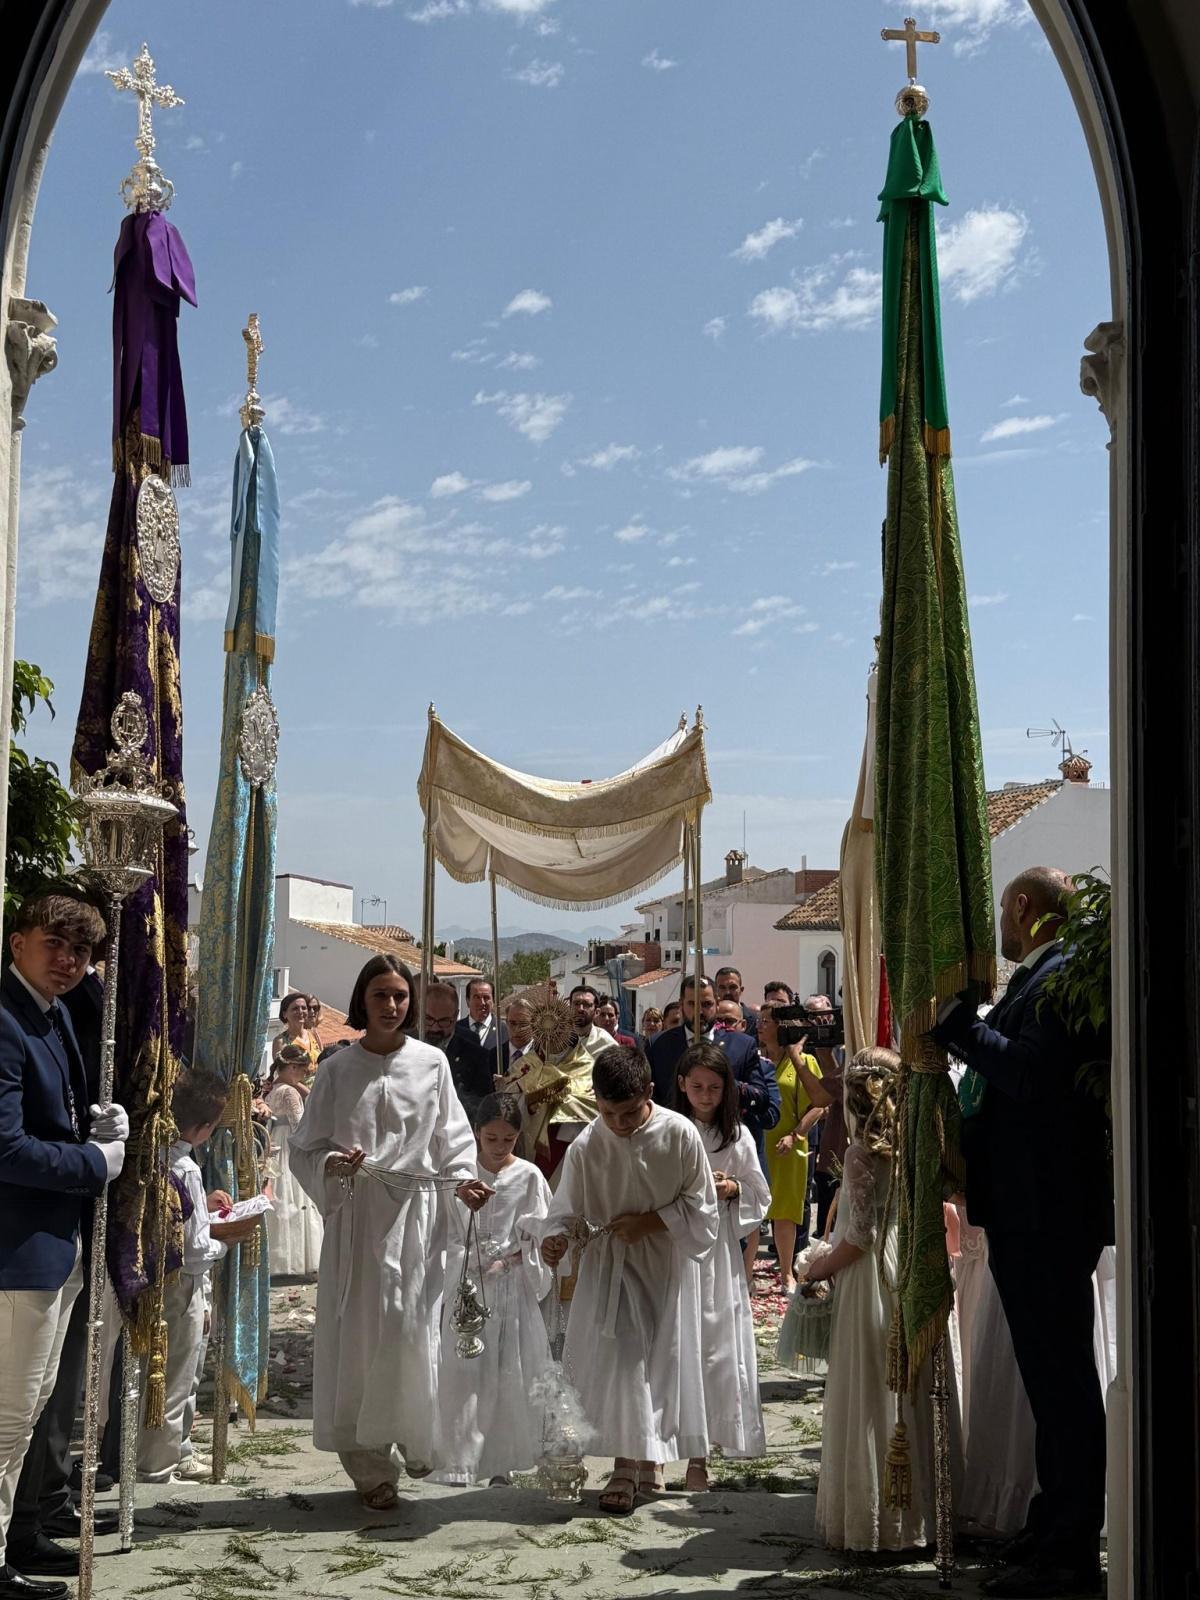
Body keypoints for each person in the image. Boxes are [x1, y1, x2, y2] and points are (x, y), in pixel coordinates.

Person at [932, 867, 1112, 1599]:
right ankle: (1051, 1521)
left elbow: (1033, 1077)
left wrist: (961, 1029)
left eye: (1004, 914)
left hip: (1048, 1210)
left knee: (1063, 1382)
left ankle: (1070, 1551)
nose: (999, 933)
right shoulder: (1042, 977)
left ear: (1024, 908)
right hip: (1027, 1208)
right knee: (1048, 1379)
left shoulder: (1058, 979)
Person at [289, 955, 492, 1508]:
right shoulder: (336, 1070)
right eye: (381, 995)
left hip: (415, 1217)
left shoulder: (431, 1064)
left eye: (401, 996)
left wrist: (465, 1183)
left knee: (409, 1327)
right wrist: (334, 1166)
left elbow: (453, 1141)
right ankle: (369, 1465)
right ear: (363, 1000)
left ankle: (416, 1433)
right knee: (360, 1336)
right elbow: (304, 1147)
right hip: (358, 1218)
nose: (392, 1005)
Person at [0, 894, 126, 1600]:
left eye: (81, 951)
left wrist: (96, 1130)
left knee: (31, 1407)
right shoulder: (6, 1021)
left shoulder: (49, 1017)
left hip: (56, 1243)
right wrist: (93, 1162)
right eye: (56, 944)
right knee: (8, 1415)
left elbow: (63, 1114)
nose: (70, 961)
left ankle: (16, 1537)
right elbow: (6, 1145)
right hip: (16, 1247)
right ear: (18, 942)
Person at [538, 1045, 718, 1514]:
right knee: (624, 1360)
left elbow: (703, 1207)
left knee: (655, 1364)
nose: (618, 1124)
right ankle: (624, 1466)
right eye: (608, 1112)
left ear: (650, 1093)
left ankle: (647, 1456)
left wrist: (651, 1222)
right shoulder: (587, 1144)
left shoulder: (678, 1134)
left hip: (663, 1265)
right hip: (607, 1268)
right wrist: (555, 1239)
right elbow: (563, 1210)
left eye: (629, 1113)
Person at [801, 1049, 955, 1551]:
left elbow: (859, 1237)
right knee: (912, 1393)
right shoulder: (918, 1145)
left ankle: (878, 1526)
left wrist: (814, 1268)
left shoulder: (860, 1154)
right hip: (910, 1266)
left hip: (869, 1279)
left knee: (871, 1395)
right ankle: (924, 1519)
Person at [137, 1071, 258, 1483]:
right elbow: (193, 1246)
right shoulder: (184, 1166)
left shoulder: (158, 1153)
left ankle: (179, 1452)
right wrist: (228, 1239)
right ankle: (159, 1464)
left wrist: (203, 1210)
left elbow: (181, 1218)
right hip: (183, 1281)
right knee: (175, 1376)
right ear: (205, 1128)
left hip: (164, 1279)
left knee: (181, 1374)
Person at [434, 1093, 553, 1486]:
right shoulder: (460, 1177)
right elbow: (442, 1231)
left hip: (509, 1288)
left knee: (507, 1370)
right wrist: (466, 1259)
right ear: (476, 1133)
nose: (499, 1148)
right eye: (491, 1139)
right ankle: (462, 1458)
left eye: (508, 1140)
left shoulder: (529, 1177)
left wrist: (515, 1254)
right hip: (467, 1284)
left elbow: (540, 1230)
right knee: (464, 1370)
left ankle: (501, 1460)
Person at [673, 1042, 769, 1487]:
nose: (706, 1095)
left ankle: (702, 1453)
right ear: (682, 1086)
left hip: (715, 1254)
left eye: (714, 1087)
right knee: (672, 1345)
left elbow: (759, 1194)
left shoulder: (738, 1136)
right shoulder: (670, 1131)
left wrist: (731, 1187)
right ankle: (658, 1449)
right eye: (697, 1087)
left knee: (713, 1347)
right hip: (673, 1250)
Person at [647, 978, 779, 1169]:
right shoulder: (658, 1045)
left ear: (717, 1004)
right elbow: (653, 1101)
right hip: (675, 1153)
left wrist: (723, 1083)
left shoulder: (742, 1045)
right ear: (681, 1004)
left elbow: (761, 1100)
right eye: (692, 1004)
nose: (700, 1012)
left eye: (707, 1004)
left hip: (729, 1153)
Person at [758, 1001, 827, 1292]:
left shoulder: (805, 1062)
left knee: (784, 1212)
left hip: (787, 1145)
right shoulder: (755, 1059)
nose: (760, 1025)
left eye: (767, 1021)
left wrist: (796, 1134)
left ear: (782, 1027)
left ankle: (786, 1272)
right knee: (753, 1209)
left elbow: (818, 1106)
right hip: (758, 1143)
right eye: (759, 1020)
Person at [264, 1045, 323, 1279]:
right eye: (302, 1070)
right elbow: (299, 1125)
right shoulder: (289, 1092)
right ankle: (300, 1259)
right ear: (292, 1067)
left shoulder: (272, 1090)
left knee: (283, 1198)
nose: (305, 1075)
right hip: (290, 1145)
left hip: (276, 1142)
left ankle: (280, 1259)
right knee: (297, 1197)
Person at [422, 981, 491, 1118]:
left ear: (455, 1016)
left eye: (443, 1021)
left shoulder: (476, 1056)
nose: (435, 1028)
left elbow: (481, 1106)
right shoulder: (402, 1044)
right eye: (428, 1019)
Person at [452, 978, 508, 1102]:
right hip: (461, 1103)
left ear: (493, 1001)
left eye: (486, 997)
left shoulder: (504, 1031)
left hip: (493, 1103)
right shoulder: (455, 1030)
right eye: (476, 997)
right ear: (467, 1001)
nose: (482, 1002)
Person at [272, 992, 319, 1068]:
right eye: (295, 1008)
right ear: (284, 1014)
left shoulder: (313, 1034)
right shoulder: (280, 1042)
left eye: (304, 1008)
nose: (300, 1012)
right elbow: (282, 1074)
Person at [714, 966, 759, 1040]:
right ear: (715, 991)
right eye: (722, 987)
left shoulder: (754, 1021)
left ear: (741, 990)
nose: (727, 992)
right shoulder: (709, 1018)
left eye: (732, 987)